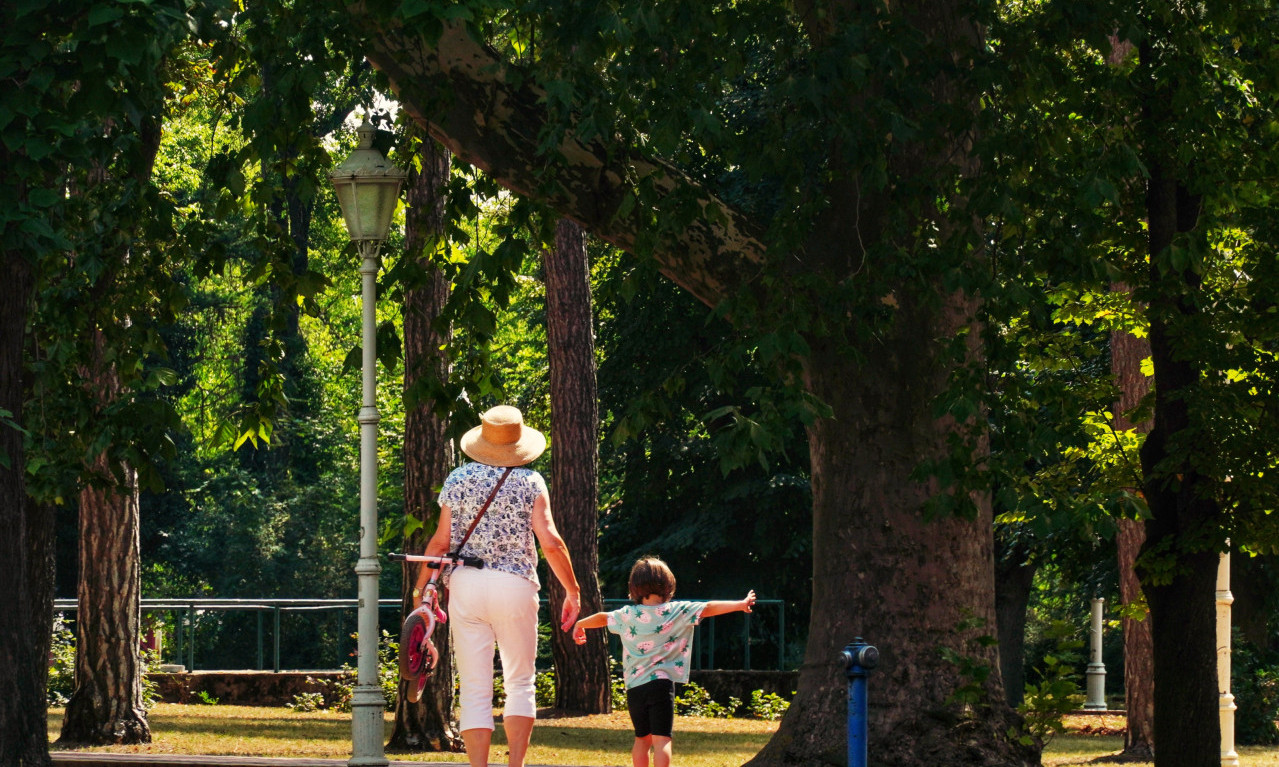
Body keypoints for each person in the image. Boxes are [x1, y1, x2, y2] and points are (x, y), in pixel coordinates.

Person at [414, 405, 582, 767]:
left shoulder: (458, 479)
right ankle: (515, 764)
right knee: (520, 681)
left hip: (466, 585)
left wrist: (420, 594)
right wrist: (573, 591)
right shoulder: (531, 482)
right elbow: (551, 542)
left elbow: (440, 544)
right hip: (514, 585)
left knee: (474, 688)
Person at [573, 556, 756, 767]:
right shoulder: (677, 611)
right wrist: (740, 604)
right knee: (662, 740)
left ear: (634, 586)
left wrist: (580, 624)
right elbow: (708, 607)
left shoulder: (627, 614)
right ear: (668, 585)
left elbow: (603, 617)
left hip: (634, 687)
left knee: (642, 739)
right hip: (661, 685)